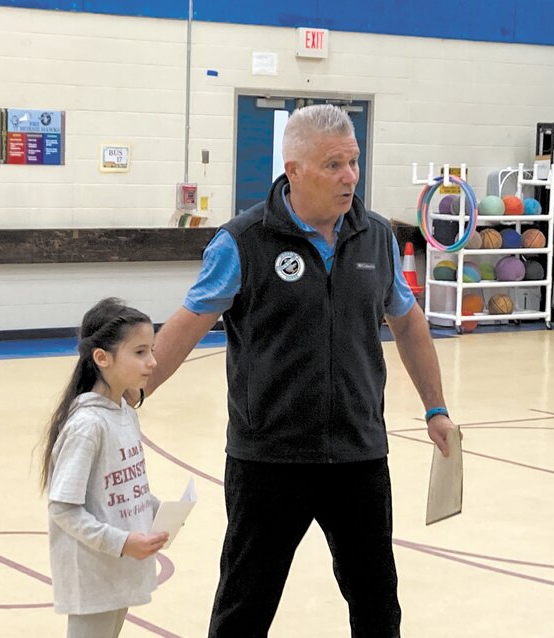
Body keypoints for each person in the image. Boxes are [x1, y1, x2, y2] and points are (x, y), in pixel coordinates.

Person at [143, 104, 458, 637]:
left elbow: (408, 322)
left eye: (353, 162)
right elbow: (190, 321)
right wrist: (131, 394)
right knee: (244, 608)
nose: (350, 177)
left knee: (377, 604)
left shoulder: (376, 237)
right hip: (269, 459)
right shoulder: (244, 242)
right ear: (294, 170)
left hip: (359, 455)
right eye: (334, 164)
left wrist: (436, 408)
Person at [40, 298, 168, 638]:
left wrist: (159, 512)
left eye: (152, 350)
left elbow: (120, 487)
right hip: (94, 572)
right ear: (102, 358)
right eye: (140, 352)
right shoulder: (88, 425)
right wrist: (122, 541)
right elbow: (63, 508)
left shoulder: (124, 412)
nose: (152, 362)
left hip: (118, 566)